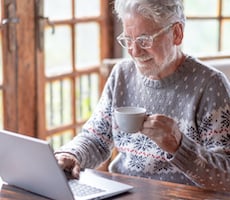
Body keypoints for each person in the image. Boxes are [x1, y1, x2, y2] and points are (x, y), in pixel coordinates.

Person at [55, 0, 230, 192]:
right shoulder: (122, 74)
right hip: (124, 192)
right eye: (128, 40)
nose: (134, 51)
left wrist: (179, 146)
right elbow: (96, 139)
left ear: (176, 33)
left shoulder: (211, 86)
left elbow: (226, 177)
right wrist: (72, 154)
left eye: (144, 40)